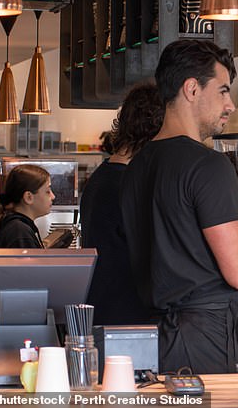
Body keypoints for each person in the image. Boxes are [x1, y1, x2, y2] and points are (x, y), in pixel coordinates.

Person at [120, 39, 238, 374]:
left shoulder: (137, 166)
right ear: (192, 88)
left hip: (157, 336)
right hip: (204, 339)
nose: (230, 105)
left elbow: (182, 256)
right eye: (223, 91)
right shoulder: (208, 165)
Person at [80, 83, 164, 325]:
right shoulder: (126, 186)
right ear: (155, 130)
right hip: (126, 319)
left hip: (105, 311)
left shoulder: (103, 178)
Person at [0, 165, 54, 248]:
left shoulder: (17, 227)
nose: (53, 196)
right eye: (47, 191)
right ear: (28, 197)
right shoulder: (20, 233)